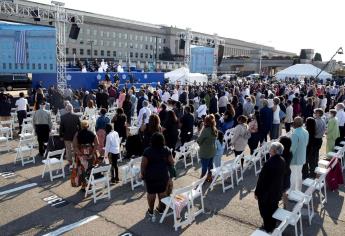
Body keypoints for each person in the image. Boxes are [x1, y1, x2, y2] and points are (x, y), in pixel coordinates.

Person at [140, 132, 174, 216]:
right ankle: (160, 209)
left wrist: (143, 175)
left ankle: (151, 211)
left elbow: (143, 165)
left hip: (151, 176)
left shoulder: (147, 151)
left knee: (151, 194)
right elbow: (172, 162)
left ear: (152, 140)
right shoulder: (166, 149)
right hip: (163, 175)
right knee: (162, 193)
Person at [255, 142, 285, 233]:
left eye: (270, 149)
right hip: (276, 191)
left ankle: (268, 228)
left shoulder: (269, 163)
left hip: (266, 193)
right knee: (273, 208)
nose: (269, 150)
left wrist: (257, 192)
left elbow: (261, 179)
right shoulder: (282, 160)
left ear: (274, 151)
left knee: (265, 210)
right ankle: (272, 224)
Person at [72, 120, 99, 192]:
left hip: (81, 152)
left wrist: (80, 155)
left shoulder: (77, 134)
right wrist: (92, 153)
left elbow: (74, 146)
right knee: (90, 168)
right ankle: (90, 184)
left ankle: (84, 185)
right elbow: (97, 144)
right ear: (88, 126)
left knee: (82, 170)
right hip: (90, 151)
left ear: (81, 126)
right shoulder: (92, 133)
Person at [290, 117, 309, 191]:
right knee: (299, 174)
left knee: (293, 175)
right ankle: (298, 190)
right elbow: (306, 143)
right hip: (302, 155)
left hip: (295, 158)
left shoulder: (295, 133)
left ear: (294, 123)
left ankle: (292, 192)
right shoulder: (305, 131)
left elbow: (292, 149)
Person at [197, 115, 217, 181]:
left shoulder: (205, 130)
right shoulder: (214, 128)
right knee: (210, 165)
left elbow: (199, 141)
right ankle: (209, 176)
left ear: (206, 122)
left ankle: (202, 179)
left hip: (205, 152)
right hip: (212, 150)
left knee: (204, 167)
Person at [279, 136, 292, 209]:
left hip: (281, 175)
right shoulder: (290, 153)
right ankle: (285, 207)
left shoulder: (281, 155)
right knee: (284, 192)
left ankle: (281, 209)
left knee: (280, 192)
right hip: (287, 173)